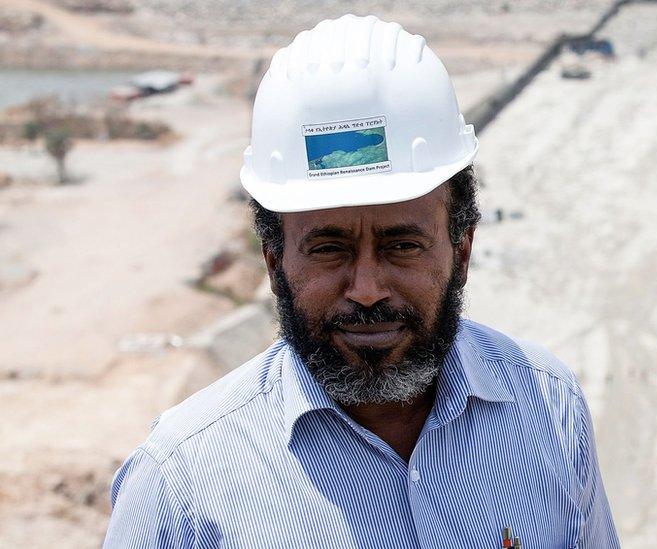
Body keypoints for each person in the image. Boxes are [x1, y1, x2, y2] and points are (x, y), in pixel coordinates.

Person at [104, 14, 618, 548]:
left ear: (462, 248)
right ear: (273, 259)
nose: (368, 289)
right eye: (329, 249)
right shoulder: (178, 488)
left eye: (402, 246)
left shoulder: (548, 408)